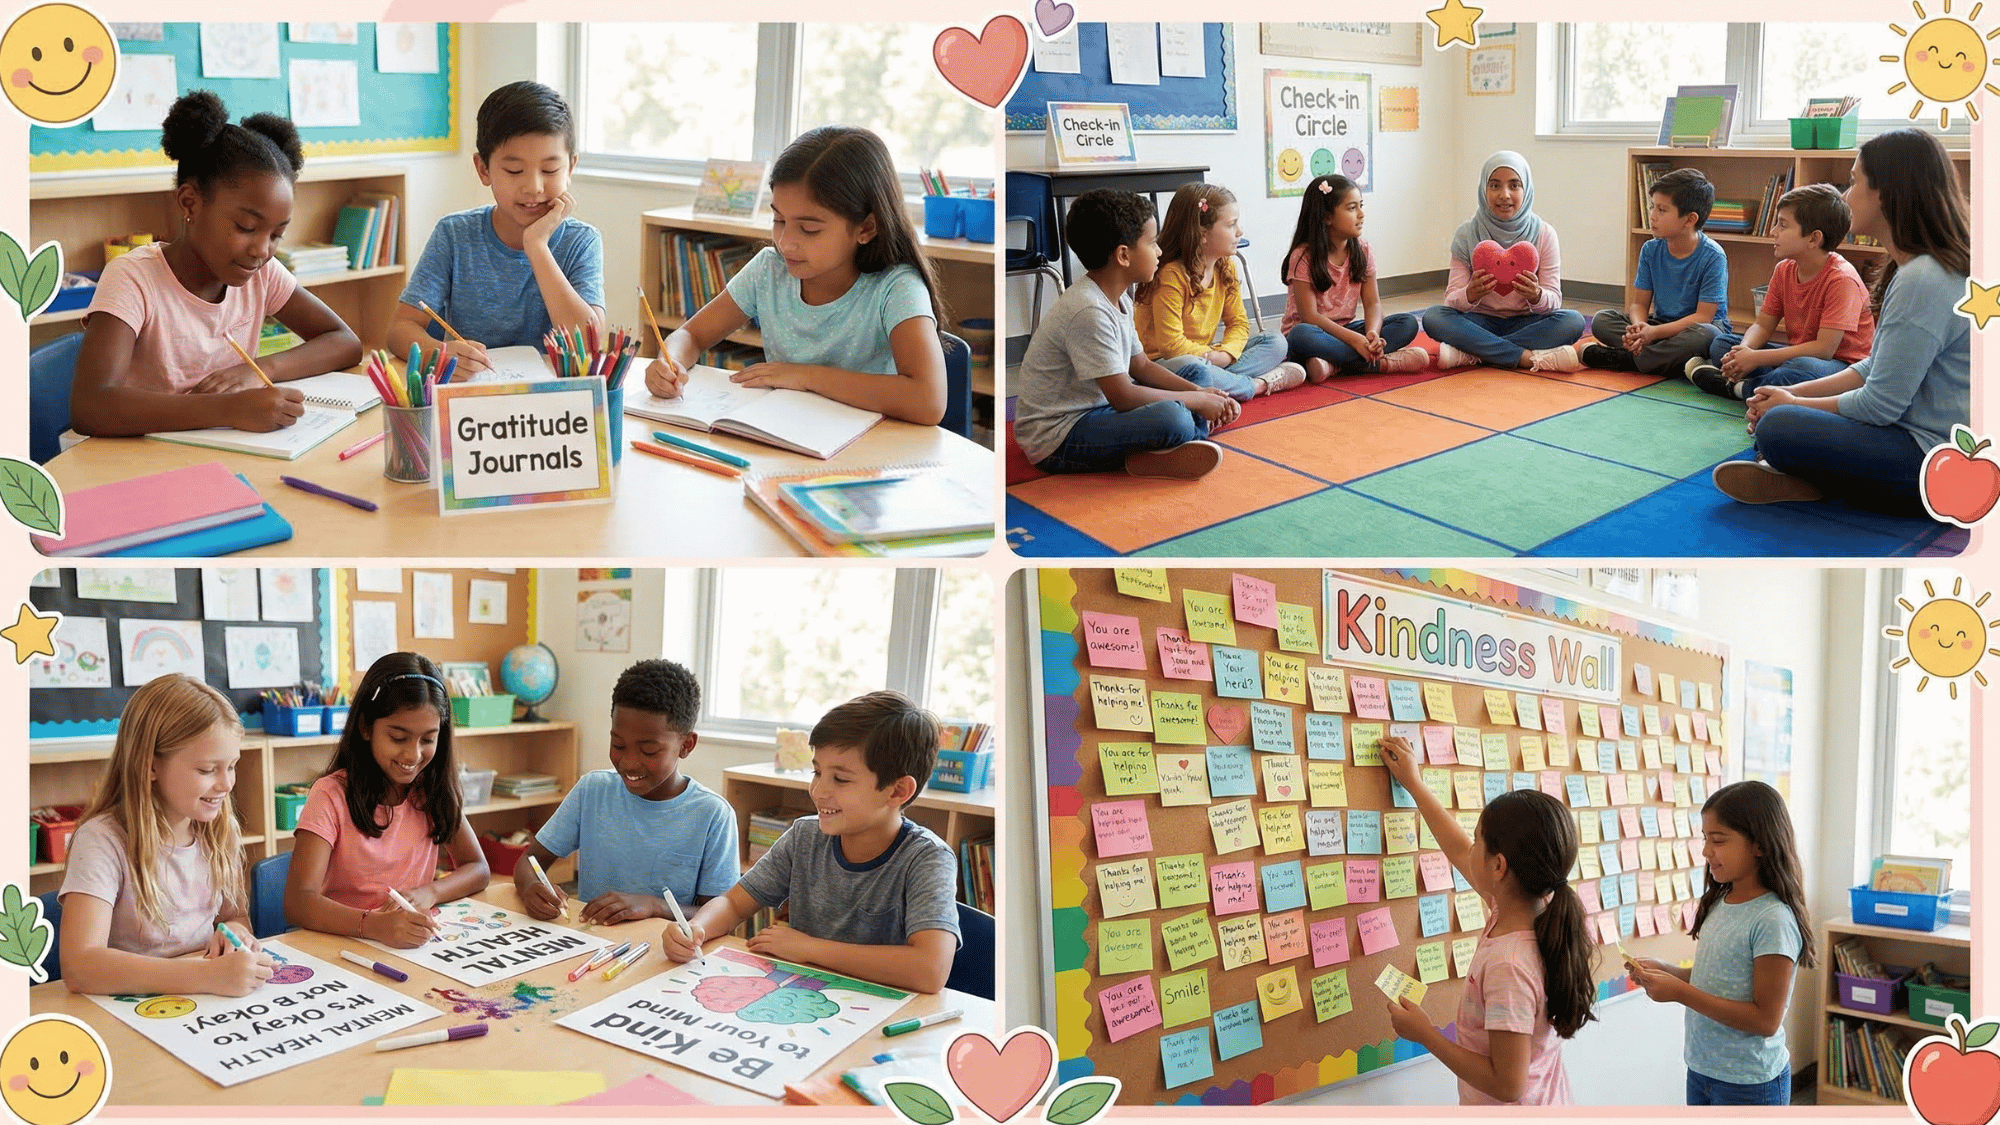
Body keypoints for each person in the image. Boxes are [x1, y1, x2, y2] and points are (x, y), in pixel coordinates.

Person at [71, 90, 359, 436]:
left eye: (276, 234)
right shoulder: (134, 278)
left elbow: (344, 341)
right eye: (247, 228)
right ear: (190, 204)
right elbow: (91, 406)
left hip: (219, 454)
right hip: (140, 460)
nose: (262, 250)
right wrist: (227, 409)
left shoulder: (261, 274)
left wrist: (256, 370)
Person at [1713, 129, 1970, 513]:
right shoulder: (1916, 269)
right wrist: (1793, 396)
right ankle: (1804, 473)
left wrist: (1789, 406)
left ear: (1885, 192)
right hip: (1917, 438)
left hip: (1935, 460)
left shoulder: (1923, 279)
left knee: (1778, 427)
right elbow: (1873, 366)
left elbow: (1879, 406)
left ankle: (1805, 475)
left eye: (1853, 183)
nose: (1846, 196)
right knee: (1780, 406)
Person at [643, 126, 950, 425]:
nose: (785, 241)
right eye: (778, 219)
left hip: (869, 452)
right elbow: (691, 335)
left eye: (809, 228)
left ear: (866, 228)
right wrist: (669, 362)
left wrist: (804, 376)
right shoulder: (769, 270)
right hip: (788, 438)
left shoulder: (896, 287)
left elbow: (928, 400)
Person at [659, 692, 961, 994]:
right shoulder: (805, 836)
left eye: (840, 779)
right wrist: (697, 928)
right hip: (802, 997)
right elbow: (733, 902)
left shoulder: (927, 858)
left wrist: (809, 948)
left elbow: (930, 970)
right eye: (817, 771)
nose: (817, 791)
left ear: (897, 791)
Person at [1379, 736, 1595, 1105]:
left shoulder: (1508, 965)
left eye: (1479, 840)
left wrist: (1426, 1034)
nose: (1471, 848)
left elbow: (1508, 1085)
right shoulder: (1532, 907)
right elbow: (1458, 848)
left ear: (1499, 867)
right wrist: (1414, 784)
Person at [58, 676, 274, 996]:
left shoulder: (218, 828)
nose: (227, 784)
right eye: (207, 770)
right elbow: (79, 966)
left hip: (199, 1006)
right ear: (150, 767)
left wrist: (234, 935)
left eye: (232, 766)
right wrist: (206, 977)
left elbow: (233, 916)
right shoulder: (101, 840)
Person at [1011, 189, 1239, 480]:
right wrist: (1194, 403)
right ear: (1123, 255)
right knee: (1174, 417)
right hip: (1060, 436)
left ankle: (1171, 448)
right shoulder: (1088, 310)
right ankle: (1189, 435)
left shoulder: (1119, 298)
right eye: (1152, 242)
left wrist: (1199, 393)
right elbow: (1122, 395)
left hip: (1100, 409)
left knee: (1198, 374)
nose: (1159, 251)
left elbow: (1141, 366)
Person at [390, 81, 604, 374]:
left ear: (571, 168)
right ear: (483, 169)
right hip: (471, 397)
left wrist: (537, 246)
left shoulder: (581, 241)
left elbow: (587, 345)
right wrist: (439, 352)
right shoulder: (454, 234)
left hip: (550, 405)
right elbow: (401, 328)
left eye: (550, 170)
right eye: (514, 170)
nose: (534, 187)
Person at [1628, 781, 1815, 1106]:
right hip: (1702, 1070)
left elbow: (1765, 1021)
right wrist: (1669, 973)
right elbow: (1718, 980)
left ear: (1759, 844)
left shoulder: (1772, 919)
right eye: (1705, 839)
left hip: (1750, 1083)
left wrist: (1679, 993)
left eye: (1718, 841)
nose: (1705, 851)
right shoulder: (1720, 900)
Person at [284, 653, 490, 947]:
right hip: (344, 944)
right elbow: (298, 902)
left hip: (406, 944)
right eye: (398, 737)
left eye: (428, 739)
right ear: (366, 727)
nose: (413, 755)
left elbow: (478, 868)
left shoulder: (431, 790)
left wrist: (430, 892)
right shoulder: (330, 795)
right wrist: (372, 925)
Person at [513, 659, 737, 924]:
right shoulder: (592, 790)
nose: (629, 762)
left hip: (665, 952)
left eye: (649, 751)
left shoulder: (712, 815)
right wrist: (530, 888)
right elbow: (530, 860)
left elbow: (722, 913)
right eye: (618, 745)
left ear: (686, 745)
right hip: (592, 943)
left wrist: (656, 906)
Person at [1684, 184, 1873, 399]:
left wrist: (1756, 359)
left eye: (1782, 225)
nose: (1773, 231)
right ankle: (1760, 384)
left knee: (1801, 368)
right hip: (1797, 355)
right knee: (1722, 344)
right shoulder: (1784, 269)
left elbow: (1824, 350)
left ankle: (1736, 389)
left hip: (1842, 368)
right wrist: (1744, 352)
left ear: (1813, 238)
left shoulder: (1842, 279)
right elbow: (1763, 325)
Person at [1135, 182, 1309, 399]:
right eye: (1231, 225)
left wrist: (1226, 354)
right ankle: (1256, 385)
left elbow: (1239, 323)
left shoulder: (1225, 265)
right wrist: (1212, 357)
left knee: (1276, 342)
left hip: (1208, 355)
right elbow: (1171, 345)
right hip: (1166, 363)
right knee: (1195, 368)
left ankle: (1218, 383)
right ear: (1202, 234)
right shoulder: (1172, 274)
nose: (1240, 231)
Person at [1421, 152, 1585, 373]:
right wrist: (1470, 293)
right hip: (1478, 321)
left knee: (1573, 321)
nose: (1504, 195)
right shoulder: (1467, 234)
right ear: (1483, 189)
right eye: (1495, 186)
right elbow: (1451, 300)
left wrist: (1536, 295)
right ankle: (1523, 357)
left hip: (1527, 322)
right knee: (1434, 317)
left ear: (1526, 190)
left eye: (1514, 185)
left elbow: (1554, 300)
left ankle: (1474, 353)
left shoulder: (1544, 234)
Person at [1583, 168, 1730, 377]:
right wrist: (1639, 328)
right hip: (1659, 328)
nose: (1652, 216)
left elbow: (1703, 317)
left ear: (1689, 219)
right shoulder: (1650, 249)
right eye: (1653, 207)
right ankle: (1660, 359)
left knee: (1707, 336)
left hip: (1693, 329)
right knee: (1601, 320)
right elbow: (1639, 304)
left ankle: (1627, 359)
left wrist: (1652, 334)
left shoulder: (1713, 256)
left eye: (1662, 210)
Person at [1280, 174, 1426, 379]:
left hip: (1345, 331)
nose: (1361, 214)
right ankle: (1381, 364)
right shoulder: (1303, 256)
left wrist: (1371, 335)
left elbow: (1373, 303)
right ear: (1327, 217)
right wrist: (1355, 341)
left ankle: (1335, 365)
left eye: (1361, 205)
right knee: (1300, 335)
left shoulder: (1363, 250)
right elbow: (1310, 317)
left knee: (1407, 323)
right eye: (1352, 208)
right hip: (1314, 334)